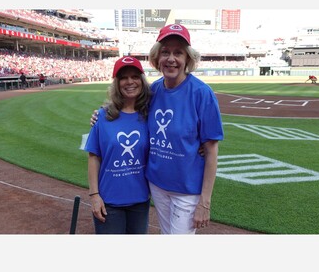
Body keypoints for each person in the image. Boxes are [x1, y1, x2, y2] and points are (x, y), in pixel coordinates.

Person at [91, 24, 224, 234]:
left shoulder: (202, 94)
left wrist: (204, 202)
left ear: (187, 59)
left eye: (178, 53)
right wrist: (103, 113)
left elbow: (211, 150)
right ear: (157, 58)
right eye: (165, 52)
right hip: (157, 185)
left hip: (186, 190)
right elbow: (128, 110)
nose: (171, 58)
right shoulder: (153, 92)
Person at [83, 56, 152, 234]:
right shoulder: (103, 116)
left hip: (140, 201)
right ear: (116, 83)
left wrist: (199, 146)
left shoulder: (149, 115)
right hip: (109, 202)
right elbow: (93, 157)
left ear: (142, 81)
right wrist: (94, 195)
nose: (130, 82)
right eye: (123, 77)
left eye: (135, 76)